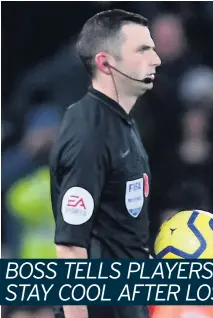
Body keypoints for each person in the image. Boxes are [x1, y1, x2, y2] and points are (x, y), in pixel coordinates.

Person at [49, 9, 161, 318]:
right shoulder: (89, 131)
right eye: (142, 49)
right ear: (105, 62)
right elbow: (70, 247)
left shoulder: (123, 124)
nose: (156, 59)